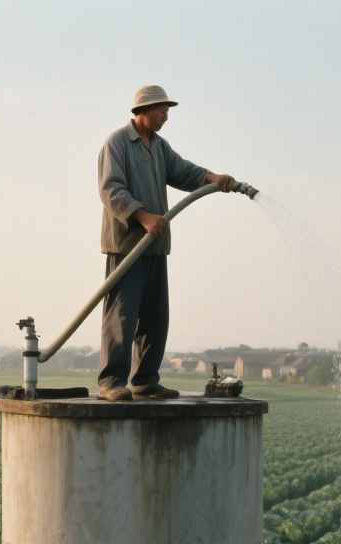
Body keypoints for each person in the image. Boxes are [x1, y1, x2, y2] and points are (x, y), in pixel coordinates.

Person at [97, 85, 239, 402]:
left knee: (155, 316)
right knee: (122, 316)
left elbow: (182, 171)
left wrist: (212, 178)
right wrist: (144, 216)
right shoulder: (118, 143)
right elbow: (111, 190)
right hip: (127, 245)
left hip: (156, 246)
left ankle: (145, 379)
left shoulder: (159, 147)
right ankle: (111, 382)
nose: (165, 116)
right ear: (144, 110)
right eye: (162, 111)